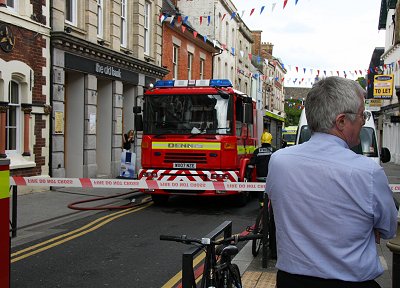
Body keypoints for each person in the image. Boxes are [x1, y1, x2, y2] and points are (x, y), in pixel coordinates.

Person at [265, 76, 398, 288]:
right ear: (341, 121)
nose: (363, 120)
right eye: (362, 114)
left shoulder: (279, 161)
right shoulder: (369, 171)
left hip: (291, 281)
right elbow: (389, 228)